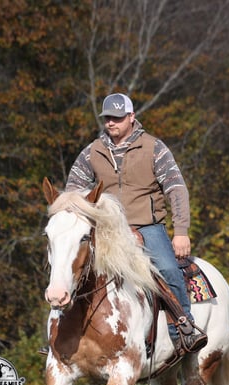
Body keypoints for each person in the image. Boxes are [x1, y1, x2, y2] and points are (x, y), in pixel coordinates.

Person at [65, 92, 207, 356]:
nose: (111, 122)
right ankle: (63, 333)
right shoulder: (93, 152)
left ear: (132, 117)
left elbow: (176, 188)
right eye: (108, 117)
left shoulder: (153, 148)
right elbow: (73, 190)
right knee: (70, 267)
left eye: (118, 117)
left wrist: (181, 232)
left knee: (169, 269)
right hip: (107, 230)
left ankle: (183, 329)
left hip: (147, 227)